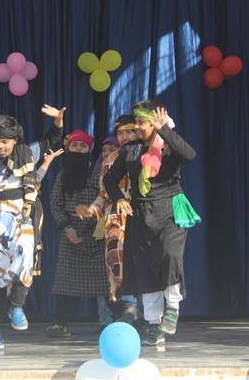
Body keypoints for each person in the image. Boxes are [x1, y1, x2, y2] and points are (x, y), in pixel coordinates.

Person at [0, 104, 64, 350]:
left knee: (25, 258)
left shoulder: (27, 153)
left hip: (22, 217)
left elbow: (52, 139)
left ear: (15, 140)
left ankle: (16, 307)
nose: (0, 146)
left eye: (5, 141)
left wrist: (58, 121)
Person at [104, 100, 200, 346]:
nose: (136, 126)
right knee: (146, 268)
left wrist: (164, 130)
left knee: (170, 255)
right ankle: (154, 325)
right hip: (140, 213)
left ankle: (173, 307)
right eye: (136, 121)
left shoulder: (169, 145)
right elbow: (110, 180)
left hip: (170, 209)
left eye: (141, 122)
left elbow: (189, 155)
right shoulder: (130, 150)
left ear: (154, 122)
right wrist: (119, 199)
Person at [78, 115, 141, 322]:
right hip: (116, 217)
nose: (124, 136)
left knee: (142, 263)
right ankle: (128, 308)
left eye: (129, 131)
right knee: (117, 259)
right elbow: (103, 194)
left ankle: (149, 317)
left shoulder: (146, 153)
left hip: (142, 214)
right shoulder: (109, 160)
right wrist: (91, 210)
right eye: (120, 133)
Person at [47, 130, 108, 337]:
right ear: (68, 148)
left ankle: (114, 322)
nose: (78, 149)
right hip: (70, 231)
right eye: (75, 146)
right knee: (65, 282)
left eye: (83, 146)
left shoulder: (99, 172)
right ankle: (60, 323)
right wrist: (67, 228)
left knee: (104, 282)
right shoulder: (62, 175)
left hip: (97, 232)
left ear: (90, 150)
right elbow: (55, 204)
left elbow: (105, 196)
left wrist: (93, 217)